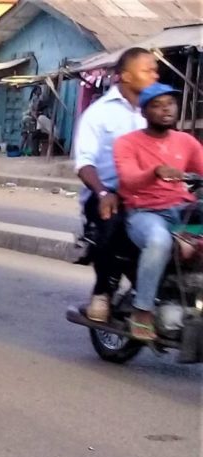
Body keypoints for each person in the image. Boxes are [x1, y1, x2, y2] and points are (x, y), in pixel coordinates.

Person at [73, 47, 158, 322]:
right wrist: (102, 192)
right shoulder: (99, 114)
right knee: (112, 221)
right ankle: (101, 293)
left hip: (151, 195)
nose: (155, 75)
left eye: (156, 70)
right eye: (147, 70)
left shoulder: (157, 112)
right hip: (109, 193)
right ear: (125, 76)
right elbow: (84, 163)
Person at [114, 84, 203, 341]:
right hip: (144, 212)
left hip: (181, 210)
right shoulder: (127, 143)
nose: (166, 108)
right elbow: (128, 179)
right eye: (157, 104)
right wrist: (154, 172)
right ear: (144, 112)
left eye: (170, 103)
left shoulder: (186, 141)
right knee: (158, 241)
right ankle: (142, 310)